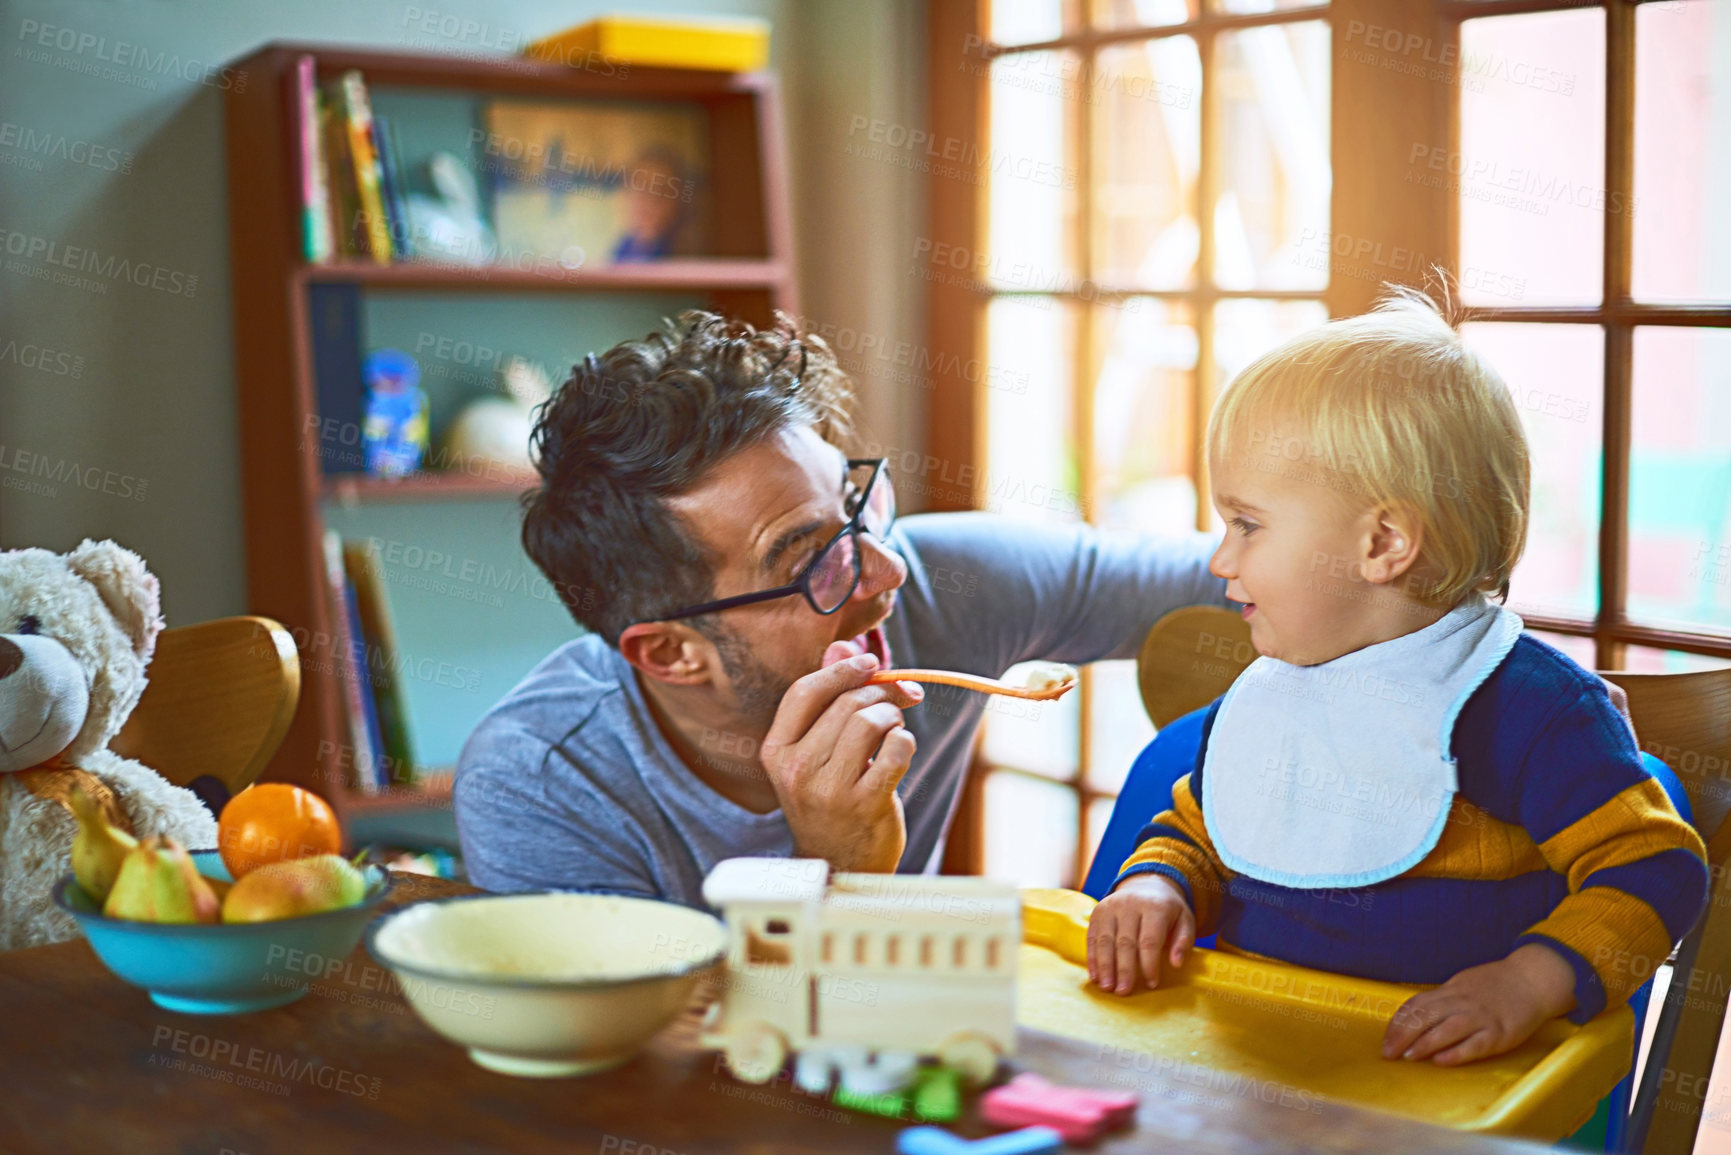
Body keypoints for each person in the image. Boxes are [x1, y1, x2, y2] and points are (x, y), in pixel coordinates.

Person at [1086, 290, 1709, 1067]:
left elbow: (1657, 869)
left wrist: (1525, 983)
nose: (1220, 558)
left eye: (1246, 523)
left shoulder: (1529, 711)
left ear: (1382, 542)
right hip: (1250, 1064)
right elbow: (1207, 826)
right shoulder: (1275, 683)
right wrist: (1155, 885)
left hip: (1445, 1095)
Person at [454, 311, 1229, 908]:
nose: (886, 570)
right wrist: (839, 869)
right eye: (809, 559)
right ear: (670, 652)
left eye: (858, 505)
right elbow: (674, 1084)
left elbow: (1251, 576)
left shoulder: (950, 584)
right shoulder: (540, 784)